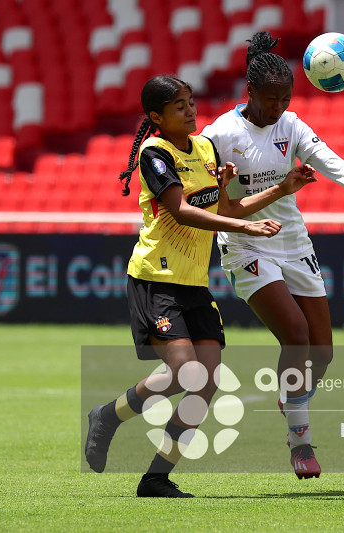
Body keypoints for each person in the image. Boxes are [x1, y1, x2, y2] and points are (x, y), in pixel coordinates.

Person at [84, 75, 316, 498]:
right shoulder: (155, 154)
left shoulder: (206, 149)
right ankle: (109, 416)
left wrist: (283, 188)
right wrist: (242, 226)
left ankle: (156, 477)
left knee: (205, 383)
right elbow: (182, 211)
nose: (190, 111)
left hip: (193, 284)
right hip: (156, 279)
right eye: (178, 106)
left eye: (190, 102)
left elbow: (225, 207)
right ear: (156, 117)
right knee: (186, 372)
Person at [201, 32, 344, 479]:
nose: (278, 108)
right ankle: (300, 442)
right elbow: (218, 207)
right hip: (245, 241)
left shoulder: (292, 126)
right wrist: (222, 182)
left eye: (286, 99)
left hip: (293, 241)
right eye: (271, 99)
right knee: (295, 335)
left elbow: (330, 160)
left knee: (324, 350)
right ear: (250, 92)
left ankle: (290, 396)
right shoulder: (218, 135)